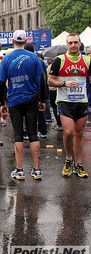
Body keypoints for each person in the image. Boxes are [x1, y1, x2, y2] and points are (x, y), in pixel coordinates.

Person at [0, 30, 46, 180]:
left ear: (12, 41)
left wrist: (2, 103)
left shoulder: (6, 59)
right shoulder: (34, 57)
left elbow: (1, 83)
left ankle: (20, 170)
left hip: (14, 100)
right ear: (26, 42)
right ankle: (37, 170)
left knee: (18, 134)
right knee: (33, 134)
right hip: (31, 98)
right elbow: (41, 80)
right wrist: (42, 100)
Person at [48, 33, 91, 178]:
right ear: (67, 45)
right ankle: (68, 159)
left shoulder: (86, 60)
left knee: (79, 134)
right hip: (65, 101)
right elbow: (50, 81)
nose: (73, 45)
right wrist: (64, 83)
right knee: (68, 133)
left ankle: (78, 164)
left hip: (81, 102)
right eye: (70, 43)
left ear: (79, 44)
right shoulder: (59, 60)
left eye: (75, 42)